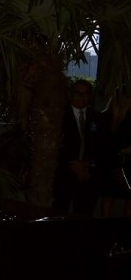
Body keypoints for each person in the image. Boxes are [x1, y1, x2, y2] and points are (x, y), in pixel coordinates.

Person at [53, 79, 99, 216]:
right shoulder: (59, 116)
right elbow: (54, 145)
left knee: (84, 215)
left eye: (86, 94)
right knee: (59, 213)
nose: (82, 97)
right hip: (64, 175)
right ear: (70, 94)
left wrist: (87, 163)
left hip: (88, 176)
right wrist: (73, 164)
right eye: (78, 93)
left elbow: (101, 145)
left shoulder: (97, 117)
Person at [97, 86, 131, 217]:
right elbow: (105, 143)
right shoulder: (105, 117)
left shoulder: (128, 117)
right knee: (109, 197)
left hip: (126, 163)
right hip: (111, 163)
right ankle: (107, 229)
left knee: (127, 199)